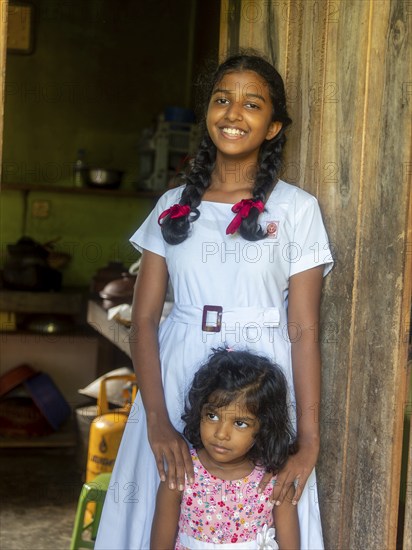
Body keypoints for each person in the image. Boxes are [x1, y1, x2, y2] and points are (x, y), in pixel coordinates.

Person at [95, 52, 333, 550]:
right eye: (222, 100)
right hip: (178, 367)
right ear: (208, 113)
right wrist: (158, 421)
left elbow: (305, 330)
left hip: (264, 375)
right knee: (164, 496)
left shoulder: (296, 209)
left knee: (269, 501)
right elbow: (142, 321)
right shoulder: (173, 206)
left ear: (273, 127)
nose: (233, 113)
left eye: (252, 104)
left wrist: (308, 440)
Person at [151, 348, 300, 550]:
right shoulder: (181, 474)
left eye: (240, 423)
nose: (221, 434)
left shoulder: (275, 482)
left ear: (264, 426)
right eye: (212, 416)